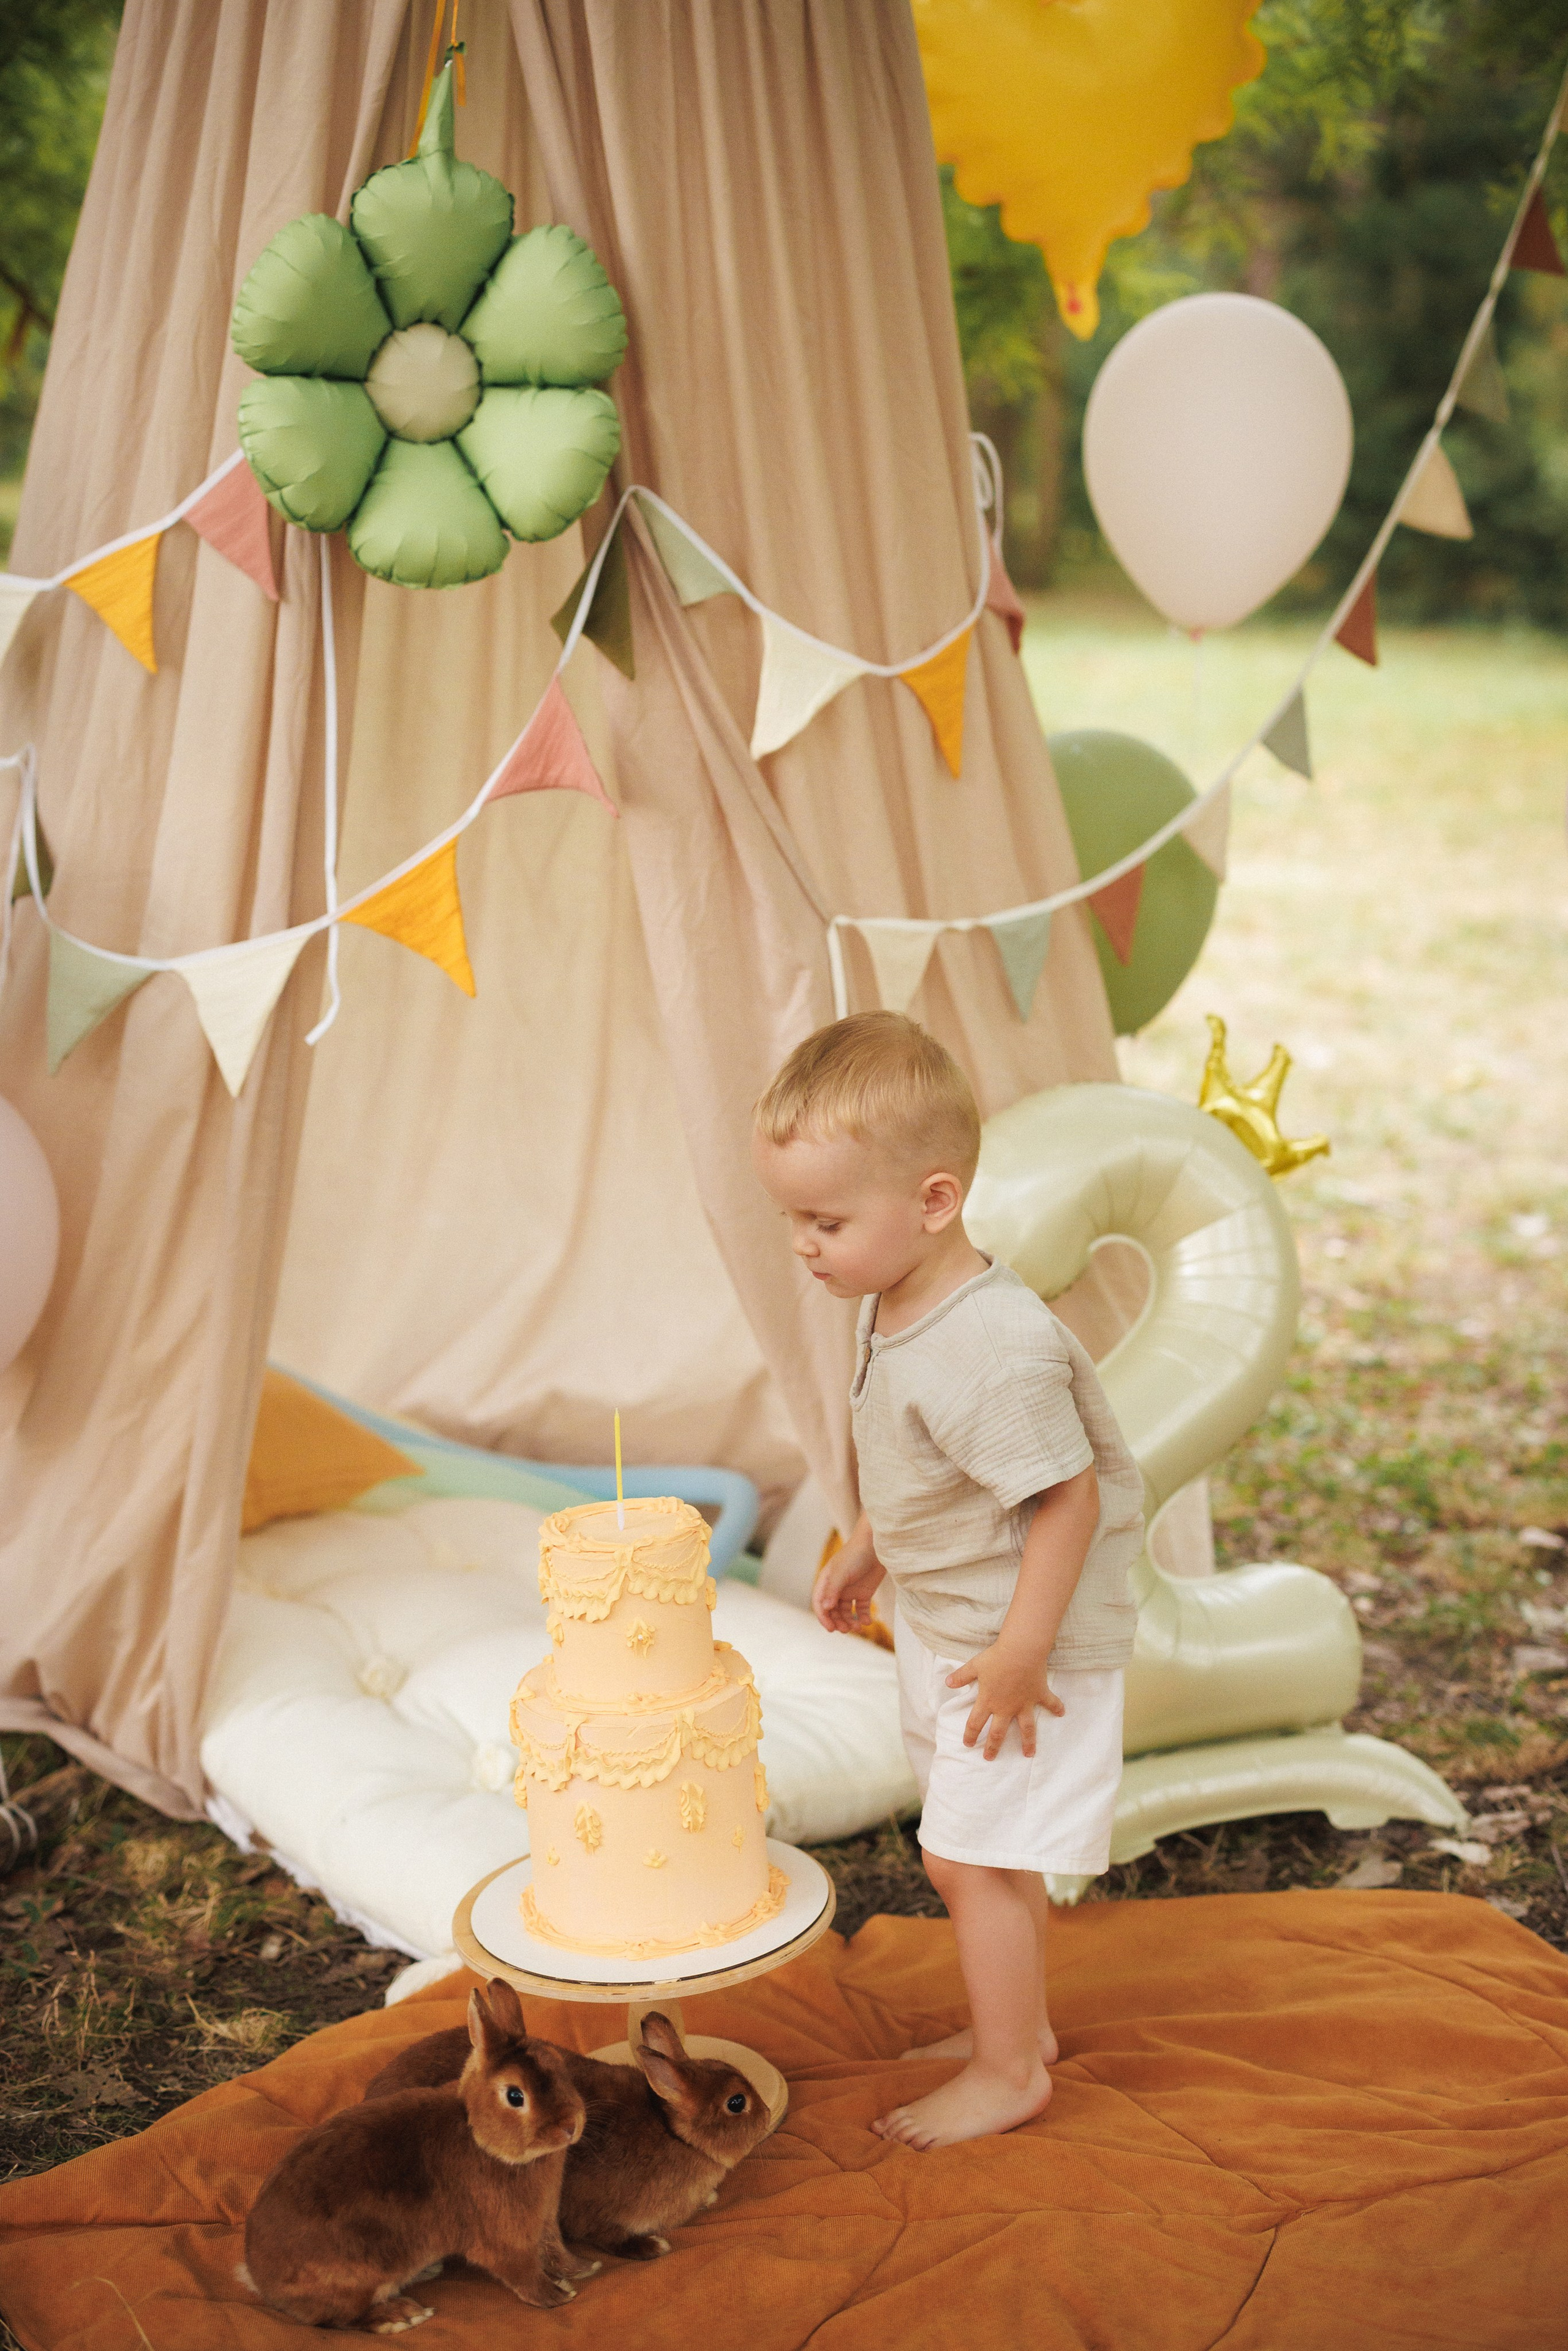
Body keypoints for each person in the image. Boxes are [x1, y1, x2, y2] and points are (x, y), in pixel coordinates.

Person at [752, 1012, 1144, 2149]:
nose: (803, 1246)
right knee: (981, 1844)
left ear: (933, 1201)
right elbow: (931, 1465)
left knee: (965, 1854)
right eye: (794, 1219)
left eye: (826, 1221)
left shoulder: (991, 1348)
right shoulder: (900, 1295)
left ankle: (1009, 2070)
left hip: (1021, 1643)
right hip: (955, 1619)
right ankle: (1019, 2028)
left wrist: (1023, 1650)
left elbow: (1065, 1500)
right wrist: (869, 1546)